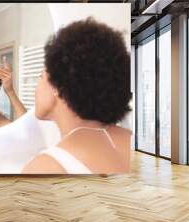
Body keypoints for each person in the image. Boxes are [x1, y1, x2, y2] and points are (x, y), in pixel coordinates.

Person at [22, 18, 132, 174]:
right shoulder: (131, 140)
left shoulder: (45, 168)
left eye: (41, 76)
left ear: (57, 85)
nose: (36, 87)